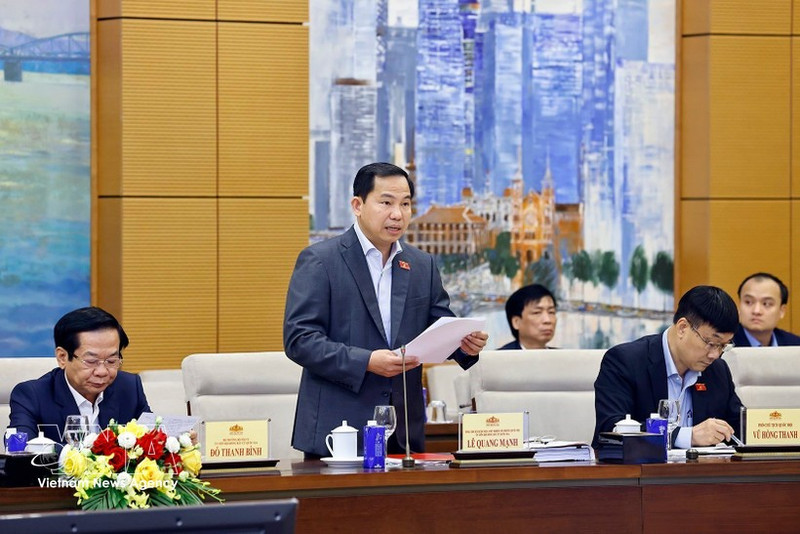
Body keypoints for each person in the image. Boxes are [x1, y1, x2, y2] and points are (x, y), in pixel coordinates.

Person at [284, 162, 488, 457]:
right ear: (358, 205)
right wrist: (366, 361)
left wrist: (465, 345)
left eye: (405, 204)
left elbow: (439, 326)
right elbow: (300, 340)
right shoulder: (320, 261)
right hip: (339, 429)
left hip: (403, 431)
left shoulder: (422, 265)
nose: (398, 214)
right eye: (386, 202)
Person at [592, 286, 742, 449]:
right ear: (683, 328)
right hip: (644, 465)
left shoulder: (717, 370)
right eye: (711, 343)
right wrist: (687, 436)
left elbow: (740, 427)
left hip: (704, 466)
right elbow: (611, 431)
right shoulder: (625, 361)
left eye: (723, 346)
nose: (715, 355)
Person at [9, 307, 150, 444]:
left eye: (111, 361)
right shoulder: (32, 395)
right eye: (91, 361)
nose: (102, 371)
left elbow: (153, 441)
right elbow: (21, 448)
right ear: (62, 357)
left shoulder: (129, 387)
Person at [733, 272, 800, 347]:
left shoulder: (795, 345)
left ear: (782, 311)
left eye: (766, 304)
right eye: (748, 302)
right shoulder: (725, 345)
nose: (756, 311)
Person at [499, 284, 557, 350]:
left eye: (551, 312)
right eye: (537, 312)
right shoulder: (501, 355)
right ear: (516, 322)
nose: (547, 320)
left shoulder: (562, 355)